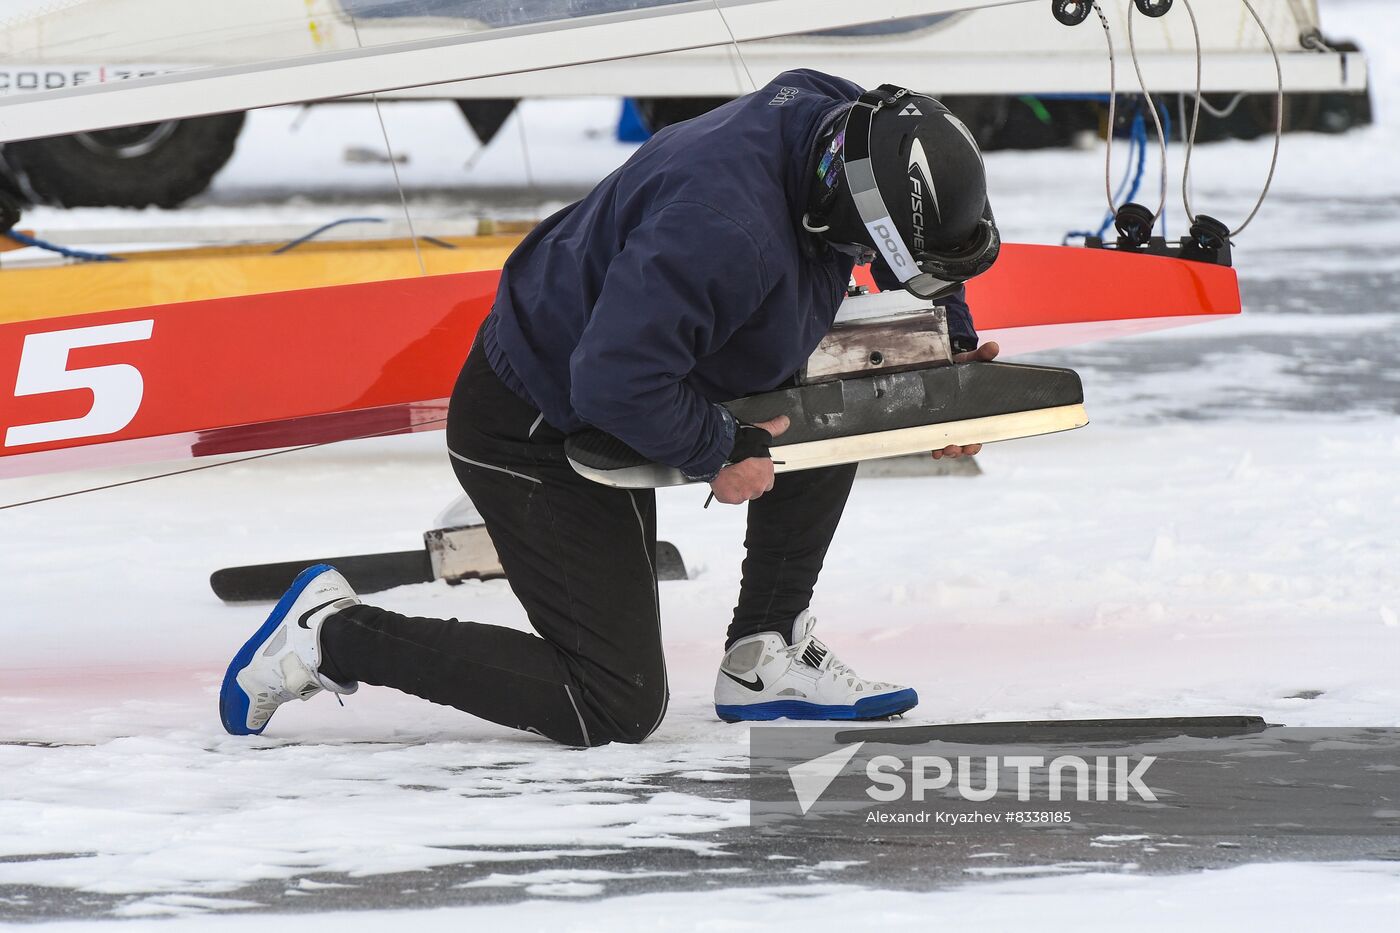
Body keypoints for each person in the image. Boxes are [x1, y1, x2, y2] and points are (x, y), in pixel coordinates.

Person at [220, 69, 1001, 746]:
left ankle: (767, 652)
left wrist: (944, 353)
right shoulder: (724, 232)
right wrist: (718, 449)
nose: (874, 266)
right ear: (844, 214)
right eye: (874, 251)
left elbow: (914, 236)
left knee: (842, 396)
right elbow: (614, 381)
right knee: (612, 702)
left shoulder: (843, 120)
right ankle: (331, 633)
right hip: (536, 420)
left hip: (649, 360)